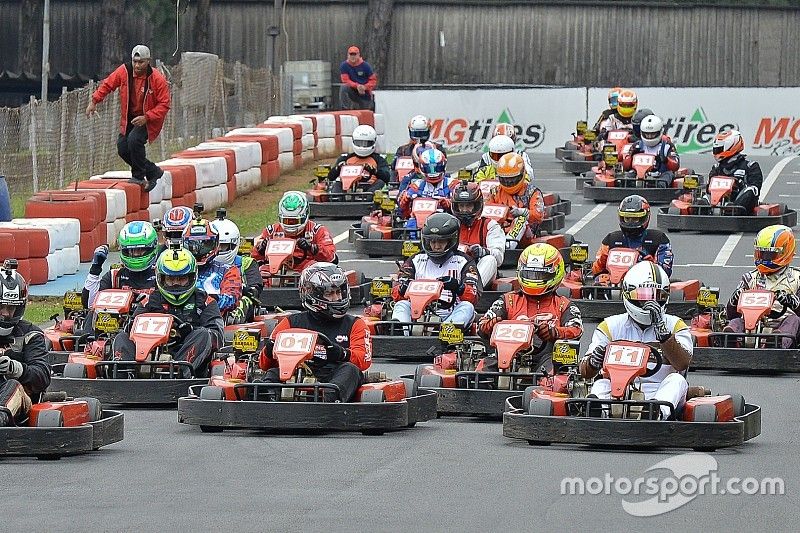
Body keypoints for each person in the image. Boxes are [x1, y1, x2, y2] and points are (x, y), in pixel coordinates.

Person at [579, 262, 691, 420]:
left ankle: (655, 413)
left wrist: (664, 335)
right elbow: (585, 371)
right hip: (617, 392)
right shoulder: (610, 326)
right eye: (644, 296)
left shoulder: (676, 325)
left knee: (677, 380)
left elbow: (682, 364)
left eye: (657, 296)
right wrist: (593, 362)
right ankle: (598, 412)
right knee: (601, 384)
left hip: (659, 391)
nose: (650, 303)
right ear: (628, 294)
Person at [258, 263, 372, 402]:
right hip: (294, 374)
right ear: (312, 294)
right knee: (272, 374)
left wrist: (341, 353)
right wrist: (269, 350)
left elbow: (363, 360)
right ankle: (264, 402)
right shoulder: (290, 323)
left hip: (334, 375)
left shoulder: (355, 324)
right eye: (329, 293)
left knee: (351, 370)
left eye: (338, 292)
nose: (336, 298)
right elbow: (263, 365)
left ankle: (327, 402)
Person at [111, 248, 224, 378]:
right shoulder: (149, 301)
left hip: (186, 353)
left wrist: (191, 331)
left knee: (204, 334)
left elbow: (217, 337)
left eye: (181, 279)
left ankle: (179, 374)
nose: (175, 283)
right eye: (170, 279)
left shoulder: (205, 301)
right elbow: (130, 329)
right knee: (121, 337)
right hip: (149, 353)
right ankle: (123, 377)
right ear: (161, 279)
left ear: (192, 278)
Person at [478, 243, 583, 371]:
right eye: (530, 274)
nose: (534, 280)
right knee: (482, 367)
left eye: (540, 275)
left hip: (545, 357)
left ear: (556, 273)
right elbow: (482, 324)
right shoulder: (508, 300)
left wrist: (555, 332)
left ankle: (543, 387)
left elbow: (576, 330)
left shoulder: (564, 305)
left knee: (556, 372)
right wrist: (489, 326)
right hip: (507, 355)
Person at [85, 45, 170, 193]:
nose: (137, 65)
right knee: (123, 148)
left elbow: (164, 104)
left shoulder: (157, 79)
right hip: (129, 118)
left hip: (148, 119)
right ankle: (153, 172)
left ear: (148, 61)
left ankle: (138, 176)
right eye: (135, 62)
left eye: (141, 62)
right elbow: (107, 84)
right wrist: (94, 101)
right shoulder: (124, 71)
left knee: (134, 140)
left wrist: (147, 117)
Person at [391, 213, 480, 330]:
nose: (436, 246)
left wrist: (459, 287)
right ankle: (401, 334)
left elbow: (474, 295)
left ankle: (443, 333)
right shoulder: (415, 260)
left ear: (451, 241)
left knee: (467, 307)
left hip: (449, 314)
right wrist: (402, 288)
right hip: (417, 314)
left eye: (441, 242)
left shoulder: (464, 261)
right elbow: (396, 293)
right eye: (433, 242)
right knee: (401, 305)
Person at [723, 225, 800, 348]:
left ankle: (776, 342)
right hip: (751, 324)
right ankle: (732, 340)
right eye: (761, 253)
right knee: (736, 322)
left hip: (782, 324)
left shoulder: (796, 278)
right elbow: (731, 315)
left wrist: (793, 302)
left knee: (794, 320)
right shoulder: (749, 278)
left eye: (769, 255)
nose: (764, 259)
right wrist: (733, 301)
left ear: (785, 252)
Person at [0, 261, 50, 427]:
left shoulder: (31, 334)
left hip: (21, 403)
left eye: (11, 308)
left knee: (12, 385)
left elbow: (42, 375)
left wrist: (15, 368)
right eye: (1, 307)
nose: (6, 314)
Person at [251, 191, 336, 275]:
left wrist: (312, 247)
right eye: (287, 221)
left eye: (295, 221)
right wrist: (261, 249)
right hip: (276, 269)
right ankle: (264, 288)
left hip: (305, 270)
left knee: (314, 269)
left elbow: (331, 258)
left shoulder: (317, 231)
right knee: (262, 270)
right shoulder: (271, 231)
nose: (290, 225)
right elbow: (254, 258)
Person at [591, 195, 674, 278]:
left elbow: (665, 272)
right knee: (600, 280)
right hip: (615, 283)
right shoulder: (611, 240)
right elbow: (597, 270)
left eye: (635, 219)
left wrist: (651, 265)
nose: (630, 223)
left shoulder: (658, 239)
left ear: (645, 217)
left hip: (645, 283)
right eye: (627, 218)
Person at [83, 221, 158, 309]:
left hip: (150, 320)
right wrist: (95, 270)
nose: (136, 255)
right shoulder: (114, 277)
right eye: (131, 251)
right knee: (90, 314)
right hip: (119, 321)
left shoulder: (161, 277)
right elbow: (89, 304)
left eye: (141, 250)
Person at [450, 181, 505, 287]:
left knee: (490, 259)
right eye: (461, 206)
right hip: (454, 268)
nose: (464, 210)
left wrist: (483, 251)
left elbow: (499, 257)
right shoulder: (450, 224)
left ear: (477, 205)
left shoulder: (490, 225)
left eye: (468, 206)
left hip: (479, 269)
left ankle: (471, 289)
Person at [182, 218, 242, 316]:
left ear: (216, 243)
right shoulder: (178, 271)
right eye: (193, 245)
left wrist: (202, 300)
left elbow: (231, 299)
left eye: (205, 244)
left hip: (213, 320)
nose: (198, 251)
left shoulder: (228, 270)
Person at [486, 153, 544, 250]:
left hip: (526, 235)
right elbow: (486, 212)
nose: (508, 182)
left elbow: (539, 215)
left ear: (522, 174)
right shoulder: (495, 192)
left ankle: (508, 246)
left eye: (512, 179)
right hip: (498, 231)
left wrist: (523, 212)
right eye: (505, 179)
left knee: (520, 220)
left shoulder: (533, 192)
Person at [696, 130, 763, 214]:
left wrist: (739, 183)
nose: (716, 151)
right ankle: (703, 209)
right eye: (716, 149)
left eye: (719, 149)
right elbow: (708, 190)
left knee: (750, 189)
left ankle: (732, 209)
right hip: (717, 203)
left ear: (732, 146)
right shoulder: (717, 168)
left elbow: (756, 190)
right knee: (705, 196)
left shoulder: (750, 166)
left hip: (741, 207)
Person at [212, 216, 263, 325]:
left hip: (237, 302)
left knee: (244, 300)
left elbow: (255, 290)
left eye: (223, 246)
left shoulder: (246, 263)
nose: (219, 250)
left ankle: (230, 319)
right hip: (212, 301)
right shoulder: (204, 265)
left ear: (234, 244)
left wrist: (243, 288)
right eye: (216, 246)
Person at [325, 125, 390, 192]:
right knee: (337, 183)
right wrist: (338, 168)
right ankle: (336, 199)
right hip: (346, 188)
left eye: (366, 143)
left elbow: (387, 177)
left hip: (369, 187)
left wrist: (374, 171)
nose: (362, 146)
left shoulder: (379, 159)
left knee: (380, 182)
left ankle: (368, 198)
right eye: (359, 143)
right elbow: (331, 177)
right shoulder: (345, 158)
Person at [397, 148, 456, 219]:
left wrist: (450, 205)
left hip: (445, 221)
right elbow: (403, 214)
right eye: (429, 169)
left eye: (437, 168)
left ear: (443, 166)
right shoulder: (416, 186)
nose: (433, 173)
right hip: (418, 223)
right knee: (410, 223)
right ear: (422, 168)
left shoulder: (453, 184)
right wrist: (405, 203)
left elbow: (463, 209)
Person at [623, 115, 680, 188]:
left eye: (652, 134)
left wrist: (666, 160)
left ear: (659, 132)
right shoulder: (637, 145)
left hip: (660, 175)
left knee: (667, 176)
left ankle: (660, 190)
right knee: (626, 179)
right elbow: (625, 166)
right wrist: (630, 158)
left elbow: (676, 165)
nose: (649, 136)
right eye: (647, 134)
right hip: (639, 175)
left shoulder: (666, 146)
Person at [339, 46, 377, 111]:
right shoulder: (344, 66)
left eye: (355, 54)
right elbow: (345, 80)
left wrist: (364, 87)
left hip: (364, 94)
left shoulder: (366, 66)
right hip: (353, 91)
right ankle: (345, 109)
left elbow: (373, 80)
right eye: (351, 54)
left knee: (366, 114)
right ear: (348, 55)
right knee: (343, 87)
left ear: (359, 55)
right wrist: (357, 86)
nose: (353, 57)